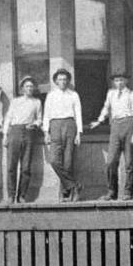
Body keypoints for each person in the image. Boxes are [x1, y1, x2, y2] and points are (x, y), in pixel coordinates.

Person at [89, 70, 133, 201]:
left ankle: (128, 191)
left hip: (129, 124)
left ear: (126, 81)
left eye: (121, 80)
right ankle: (112, 191)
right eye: (116, 80)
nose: (119, 83)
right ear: (113, 82)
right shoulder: (111, 94)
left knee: (129, 161)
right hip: (115, 126)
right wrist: (99, 120)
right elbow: (106, 108)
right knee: (111, 162)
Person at [43, 68, 83, 202]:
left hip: (70, 125)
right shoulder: (51, 95)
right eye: (60, 79)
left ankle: (66, 193)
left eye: (65, 79)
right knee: (54, 160)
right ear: (55, 81)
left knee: (67, 163)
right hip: (55, 126)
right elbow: (46, 114)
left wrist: (79, 133)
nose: (62, 82)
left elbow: (78, 114)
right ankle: (75, 185)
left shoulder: (73, 95)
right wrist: (46, 132)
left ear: (68, 81)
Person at [3, 75, 43, 203]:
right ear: (22, 88)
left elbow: (39, 118)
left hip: (29, 132)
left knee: (26, 167)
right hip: (15, 131)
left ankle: (22, 195)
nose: (29, 88)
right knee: (11, 166)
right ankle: (11, 195)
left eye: (31, 86)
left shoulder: (37, 102)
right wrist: (5, 135)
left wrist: (35, 124)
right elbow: (8, 118)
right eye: (27, 86)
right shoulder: (15, 101)